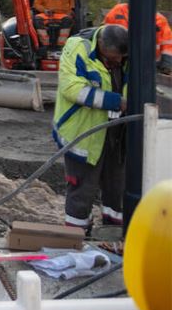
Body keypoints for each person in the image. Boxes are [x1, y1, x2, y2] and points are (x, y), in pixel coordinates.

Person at [53, 24, 129, 231]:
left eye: (120, 59)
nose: (117, 63)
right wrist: (116, 102)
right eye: (111, 59)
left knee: (117, 186)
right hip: (83, 132)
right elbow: (72, 88)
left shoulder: (126, 53)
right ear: (101, 45)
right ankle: (77, 235)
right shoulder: (77, 47)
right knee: (82, 189)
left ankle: (113, 232)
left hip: (117, 133)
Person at [103, 3, 172, 75]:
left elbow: (168, 44)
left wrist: (166, 65)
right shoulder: (118, 11)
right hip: (117, 61)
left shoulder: (159, 20)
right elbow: (104, 34)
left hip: (149, 65)